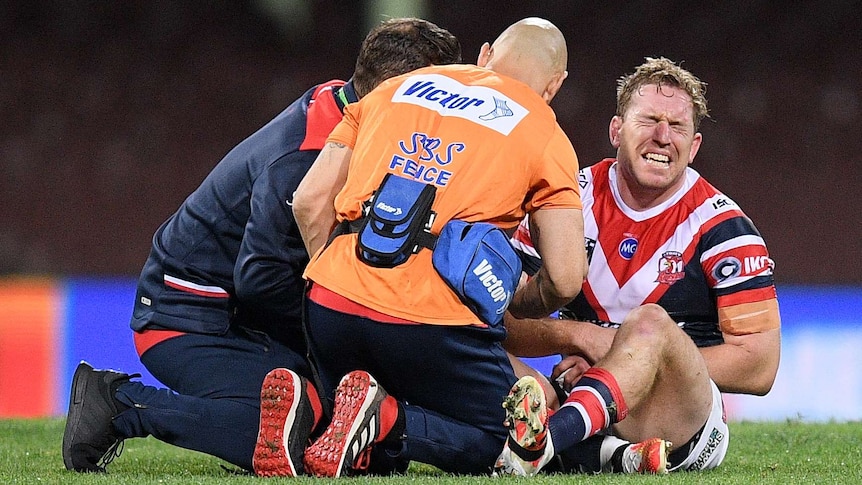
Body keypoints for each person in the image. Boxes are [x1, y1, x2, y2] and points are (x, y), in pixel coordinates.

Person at [60, 18, 462, 475]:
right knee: (306, 422)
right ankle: (118, 403)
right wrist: (338, 341)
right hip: (187, 318)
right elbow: (261, 280)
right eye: (443, 95)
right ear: (398, 89)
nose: (452, 111)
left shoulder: (346, 109)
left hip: (234, 314)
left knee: (353, 431)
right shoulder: (305, 161)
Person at [286, 17, 585, 477]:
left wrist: (345, 277)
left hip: (331, 304)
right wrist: (517, 304)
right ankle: (386, 419)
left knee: (367, 464)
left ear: (485, 54)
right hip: (430, 322)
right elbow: (566, 276)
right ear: (555, 85)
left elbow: (308, 201)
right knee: (518, 444)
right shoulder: (543, 131)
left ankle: (312, 412)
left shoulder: (396, 87)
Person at [493, 56, 782, 475]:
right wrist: (577, 336)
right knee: (468, 339)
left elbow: (760, 365)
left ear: (694, 145)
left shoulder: (724, 228)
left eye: (677, 127)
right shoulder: (564, 201)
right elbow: (505, 321)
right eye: (648, 120)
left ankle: (548, 439)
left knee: (650, 323)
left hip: (678, 422)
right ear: (616, 130)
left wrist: (624, 357)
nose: (663, 137)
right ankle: (607, 455)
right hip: (581, 393)